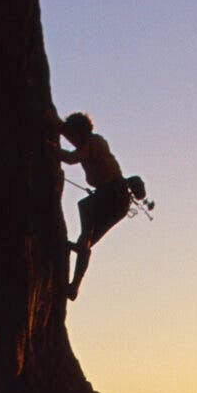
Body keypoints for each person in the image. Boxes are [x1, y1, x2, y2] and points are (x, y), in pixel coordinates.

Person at [57, 112, 133, 300]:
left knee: (85, 211)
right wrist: (56, 123)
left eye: (74, 136)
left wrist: (47, 148)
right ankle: (74, 285)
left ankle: (75, 279)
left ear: (80, 133)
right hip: (115, 198)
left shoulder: (93, 144)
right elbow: (67, 133)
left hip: (113, 195)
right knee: (86, 239)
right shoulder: (89, 141)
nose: (72, 140)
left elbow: (70, 158)